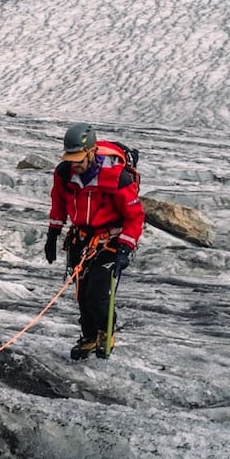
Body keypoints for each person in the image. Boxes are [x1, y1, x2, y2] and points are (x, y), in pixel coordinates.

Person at [44, 123, 144, 360]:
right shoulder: (64, 173)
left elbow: (135, 216)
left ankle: (105, 332)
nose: (74, 164)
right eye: (71, 158)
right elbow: (58, 202)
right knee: (81, 293)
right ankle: (88, 336)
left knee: (98, 294)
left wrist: (125, 248)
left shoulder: (117, 178)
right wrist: (52, 234)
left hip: (110, 240)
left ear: (91, 152)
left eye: (78, 158)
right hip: (80, 239)